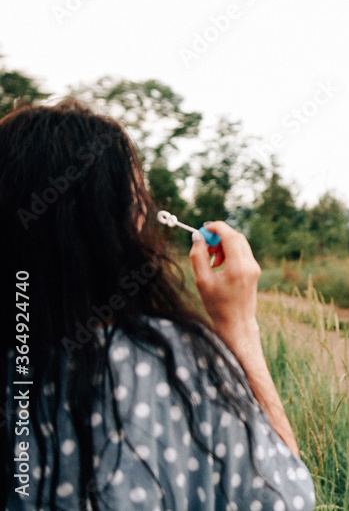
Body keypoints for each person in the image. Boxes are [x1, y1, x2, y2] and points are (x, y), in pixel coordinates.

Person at [1, 100, 315, 510]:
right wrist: (238, 328)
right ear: (120, 223)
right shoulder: (168, 359)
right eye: (138, 198)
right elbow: (284, 499)